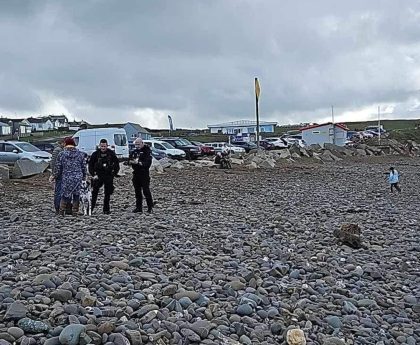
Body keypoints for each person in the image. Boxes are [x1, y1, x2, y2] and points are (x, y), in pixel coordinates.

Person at [54, 137, 87, 216]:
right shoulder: (80, 154)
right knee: (76, 194)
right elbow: (84, 167)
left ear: (66, 144)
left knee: (65, 194)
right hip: (77, 177)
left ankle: (61, 211)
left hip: (66, 177)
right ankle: (75, 211)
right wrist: (84, 176)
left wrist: (55, 176)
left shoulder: (61, 154)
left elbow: (58, 167)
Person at [88, 138, 120, 214]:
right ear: (99, 146)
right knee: (94, 193)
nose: (103, 148)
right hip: (98, 175)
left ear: (107, 146)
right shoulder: (95, 154)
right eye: (102, 146)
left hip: (108, 175)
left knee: (107, 193)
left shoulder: (111, 153)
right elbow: (90, 165)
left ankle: (106, 209)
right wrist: (93, 174)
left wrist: (114, 173)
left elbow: (116, 164)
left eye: (104, 146)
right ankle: (91, 209)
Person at [129, 138, 154, 213]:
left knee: (146, 191)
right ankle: (138, 207)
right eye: (136, 144)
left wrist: (139, 163)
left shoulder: (147, 151)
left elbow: (147, 163)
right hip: (136, 173)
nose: (137, 146)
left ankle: (150, 207)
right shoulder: (134, 151)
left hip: (144, 174)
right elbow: (130, 159)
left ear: (142, 143)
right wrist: (131, 162)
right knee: (137, 191)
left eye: (138, 144)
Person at [49, 138, 65, 214]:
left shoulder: (59, 150)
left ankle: (59, 208)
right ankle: (58, 208)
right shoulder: (58, 151)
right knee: (58, 191)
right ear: (62, 143)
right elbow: (54, 163)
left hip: (60, 174)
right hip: (59, 174)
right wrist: (54, 174)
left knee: (59, 191)